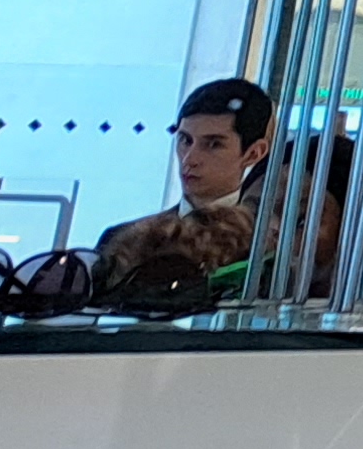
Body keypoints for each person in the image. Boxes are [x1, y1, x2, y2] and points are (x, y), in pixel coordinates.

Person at [89, 76, 272, 300]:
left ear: (253, 153)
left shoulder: (266, 248)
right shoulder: (121, 238)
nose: (189, 159)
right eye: (185, 140)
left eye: (213, 144)